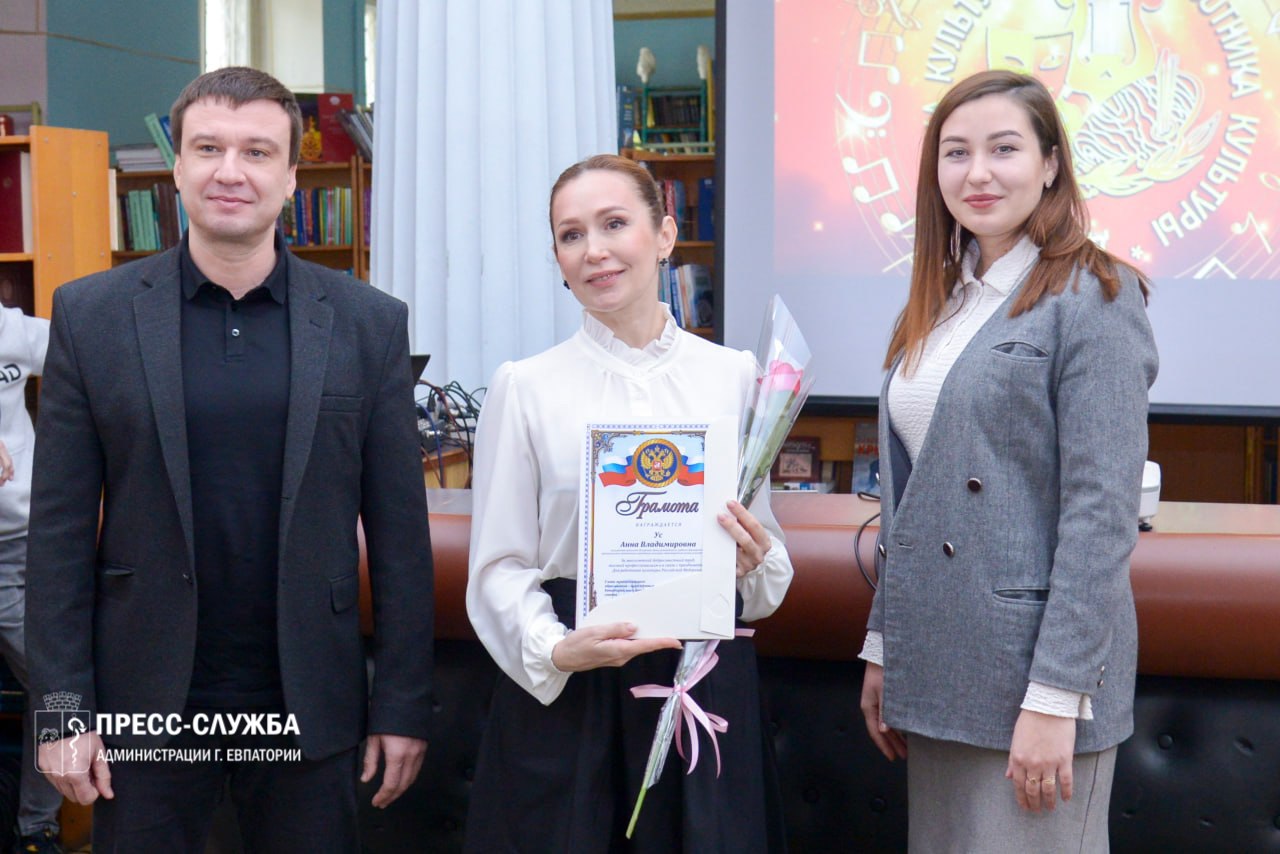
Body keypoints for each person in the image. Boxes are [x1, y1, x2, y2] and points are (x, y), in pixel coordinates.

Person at [25, 67, 434, 852]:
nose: (230, 171)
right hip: (144, 709)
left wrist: (403, 707)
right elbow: (58, 539)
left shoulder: (367, 324)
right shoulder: (91, 316)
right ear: (177, 168)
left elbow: (401, 543)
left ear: (291, 176)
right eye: (208, 148)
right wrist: (59, 715)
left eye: (257, 151)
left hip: (309, 705)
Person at [857, 70, 1158, 851]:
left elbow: (1101, 515)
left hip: (1035, 678)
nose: (978, 173)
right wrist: (885, 647)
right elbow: (910, 502)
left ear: (1050, 163)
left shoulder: (1097, 295)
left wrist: (1057, 696)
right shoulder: (938, 303)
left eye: (1004, 149)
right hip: (937, 662)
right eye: (956, 152)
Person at [464, 154, 793, 852]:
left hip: (703, 683)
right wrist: (556, 650)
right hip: (572, 689)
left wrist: (753, 560)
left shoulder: (735, 376)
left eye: (614, 223)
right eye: (571, 234)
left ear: (665, 235)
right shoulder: (525, 387)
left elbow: (766, 567)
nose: (594, 250)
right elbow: (498, 566)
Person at [0, 306, 65, 854]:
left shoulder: (10, 330)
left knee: (57, 688)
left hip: (19, 545)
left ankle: (35, 830)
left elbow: (97, 356)